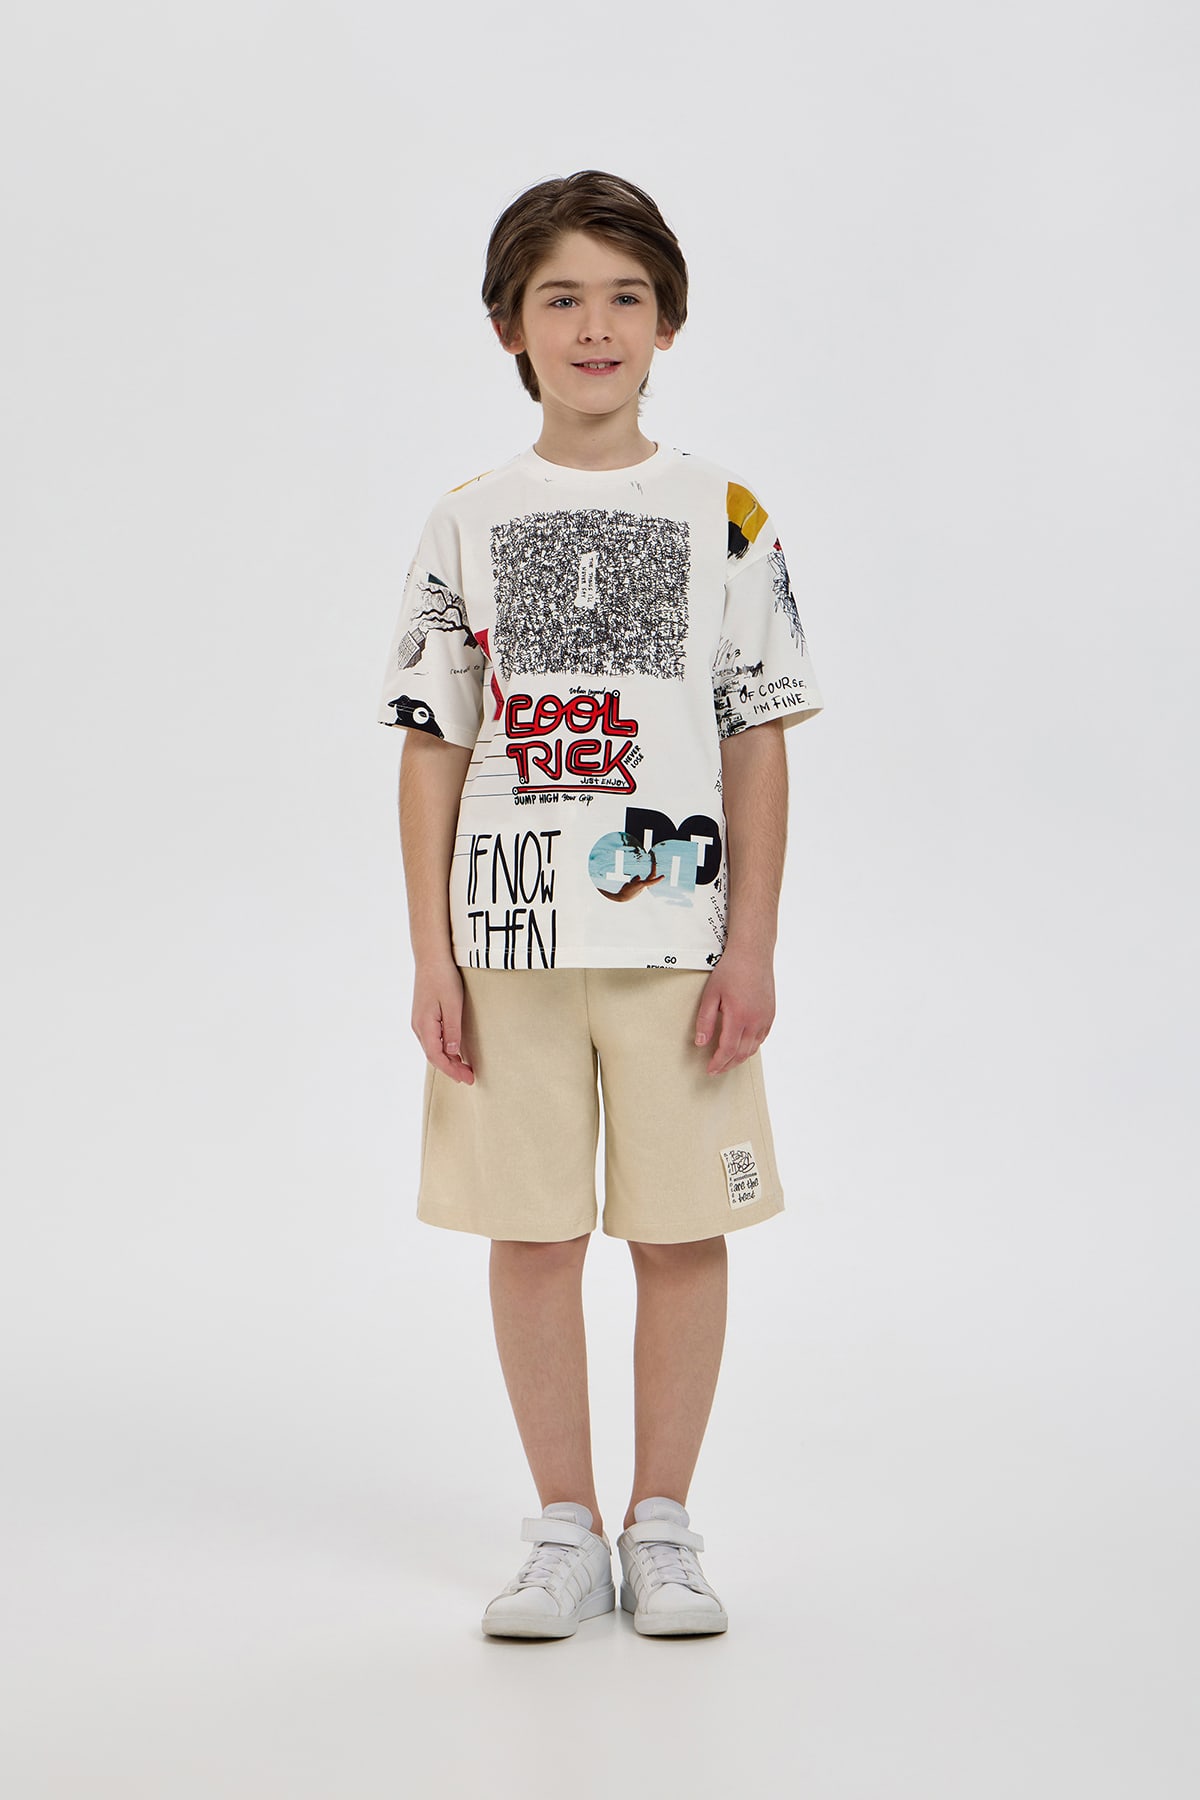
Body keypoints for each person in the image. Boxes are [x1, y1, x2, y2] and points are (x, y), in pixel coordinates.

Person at [376, 170, 823, 1640]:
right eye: (560, 296)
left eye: (626, 297)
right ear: (510, 325)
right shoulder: (467, 520)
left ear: (668, 322)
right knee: (532, 1231)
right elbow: (433, 745)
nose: (594, 326)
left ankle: (664, 1526)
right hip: (507, 941)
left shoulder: (725, 513)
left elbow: (756, 737)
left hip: (677, 939)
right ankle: (563, 1528)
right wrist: (431, 952)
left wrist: (752, 942)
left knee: (683, 1229)